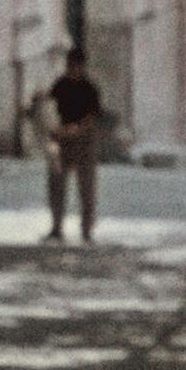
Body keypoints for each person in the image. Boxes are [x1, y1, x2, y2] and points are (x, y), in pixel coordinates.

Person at [27, 44, 110, 245]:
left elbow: (93, 116)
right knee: (56, 185)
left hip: (84, 141)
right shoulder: (61, 84)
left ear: (82, 67)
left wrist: (76, 129)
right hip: (62, 141)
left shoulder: (89, 89)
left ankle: (86, 230)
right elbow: (49, 106)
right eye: (70, 65)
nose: (72, 69)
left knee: (86, 188)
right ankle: (56, 227)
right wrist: (39, 102)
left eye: (75, 66)